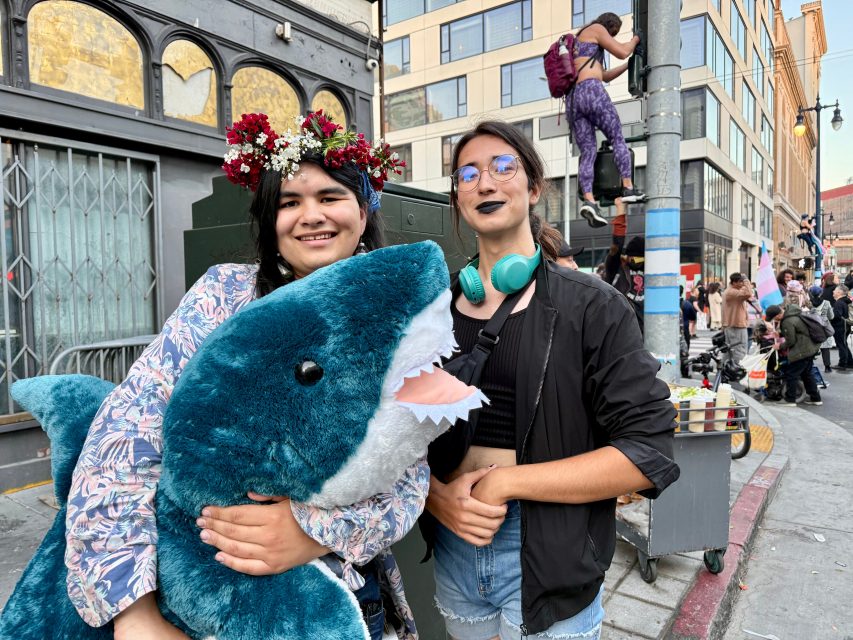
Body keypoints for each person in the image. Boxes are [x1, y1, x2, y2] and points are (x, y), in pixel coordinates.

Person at [64, 112, 417, 640]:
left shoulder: (395, 321)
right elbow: (130, 427)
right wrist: (131, 609)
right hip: (208, 595)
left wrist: (311, 533)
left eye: (329, 197)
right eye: (289, 202)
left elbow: (409, 476)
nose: (310, 216)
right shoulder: (224, 297)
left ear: (363, 212)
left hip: (340, 595)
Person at [425, 120, 679, 639]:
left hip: (548, 548)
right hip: (455, 541)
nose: (485, 183)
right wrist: (434, 497)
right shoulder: (432, 310)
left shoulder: (591, 305)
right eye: (467, 174)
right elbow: (400, 433)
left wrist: (507, 482)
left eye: (503, 167)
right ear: (456, 197)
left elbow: (647, 451)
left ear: (535, 187)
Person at [570, 12, 645, 226]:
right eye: (613, 32)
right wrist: (636, 39)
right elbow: (621, 51)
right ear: (609, 25)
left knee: (588, 152)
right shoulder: (597, 29)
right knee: (617, 137)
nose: (611, 36)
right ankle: (628, 187)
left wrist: (629, 65)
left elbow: (603, 74)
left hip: (574, 100)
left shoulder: (579, 42)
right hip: (593, 93)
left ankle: (589, 200)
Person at [604, 206, 645, 332]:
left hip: (646, 324)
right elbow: (617, 244)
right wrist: (620, 212)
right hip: (623, 324)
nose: (635, 262)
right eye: (632, 259)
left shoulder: (652, 269)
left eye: (639, 260)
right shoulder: (617, 267)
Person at [777, 302, 823, 406]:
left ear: (779, 314)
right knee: (807, 374)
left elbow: (791, 341)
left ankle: (790, 400)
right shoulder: (797, 314)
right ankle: (816, 398)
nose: (776, 320)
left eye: (775, 318)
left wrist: (779, 346)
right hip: (812, 348)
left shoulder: (788, 320)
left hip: (802, 350)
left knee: (791, 374)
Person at [722, 273, 753, 365]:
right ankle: (738, 372)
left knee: (729, 351)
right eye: (741, 282)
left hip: (732, 325)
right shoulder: (732, 292)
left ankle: (725, 372)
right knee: (739, 350)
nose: (742, 284)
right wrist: (746, 280)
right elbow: (748, 293)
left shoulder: (730, 291)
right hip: (736, 326)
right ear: (734, 282)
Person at [809, 285, 835, 373]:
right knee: (825, 348)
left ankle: (809, 366)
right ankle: (827, 367)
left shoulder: (808, 303)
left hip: (812, 326)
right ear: (821, 293)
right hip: (824, 326)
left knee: (811, 346)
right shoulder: (827, 303)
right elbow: (831, 316)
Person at [831, 284, 853, 371]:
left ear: (839, 292)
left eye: (835, 290)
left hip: (840, 327)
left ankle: (842, 363)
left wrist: (829, 317)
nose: (833, 292)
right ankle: (850, 362)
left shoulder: (839, 302)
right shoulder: (845, 301)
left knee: (841, 345)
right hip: (845, 326)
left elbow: (836, 316)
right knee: (844, 344)